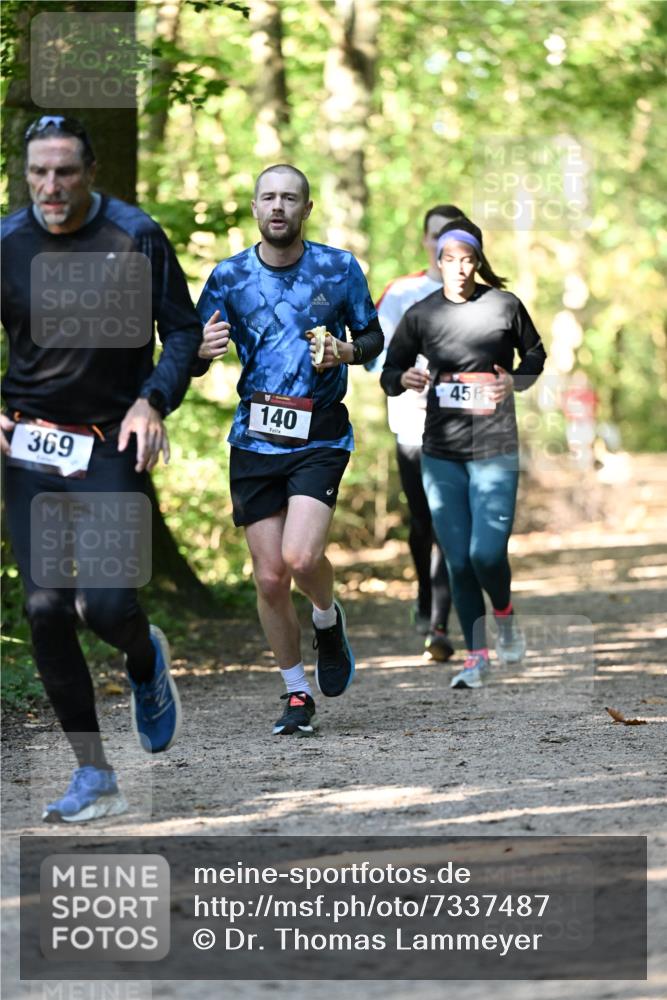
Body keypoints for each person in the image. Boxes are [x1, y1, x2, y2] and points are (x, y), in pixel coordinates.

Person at [1, 115, 203, 821]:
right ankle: (95, 775)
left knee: (107, 606)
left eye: (64, 172)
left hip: (112, 443)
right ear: (25, 174)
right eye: (38, 173)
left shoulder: (134, 234)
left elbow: (180, 328)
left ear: (89, 173)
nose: (50, 187)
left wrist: (154, 401)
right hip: (29, 450)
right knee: (46, 608)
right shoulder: (7, 243)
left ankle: (144, 657)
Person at [196, 164, 383, 735]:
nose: (278, 207)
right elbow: (188, 351)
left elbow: (373, 339)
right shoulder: (228, 276)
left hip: (319, 435)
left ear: (306, 208)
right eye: (268, 197)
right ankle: (297, 695)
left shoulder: (338, 267)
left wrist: (345, 353)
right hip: (254, 438)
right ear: (255, 208)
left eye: (290, 198)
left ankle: (328, 619)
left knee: (302, 560)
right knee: (271, 577)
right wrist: (201, 349)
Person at [381, 218, 546, 689]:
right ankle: (476, 656)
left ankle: (506, 616)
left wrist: (511, 380)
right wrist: (404, 379)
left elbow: (535, 357)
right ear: (438, 262)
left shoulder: (504, 306)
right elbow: (390, 371)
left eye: (467, 259)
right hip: (441, 451)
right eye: (449, 259)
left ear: (478, 262)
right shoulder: (422, 314)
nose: (458, 268)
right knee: (456, 559)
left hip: (494, 446)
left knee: (487, 555)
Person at [373, 205, 465, 662]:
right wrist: (403, 369)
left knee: (449, 523)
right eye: (435, 235)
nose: (442, 243)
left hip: (462, 427)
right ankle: (426, 597)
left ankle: (439, 627)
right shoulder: (402, 292)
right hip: (410, 421)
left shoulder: (478, 295)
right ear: (425, 241)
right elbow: (373, 355)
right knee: (422, 523)